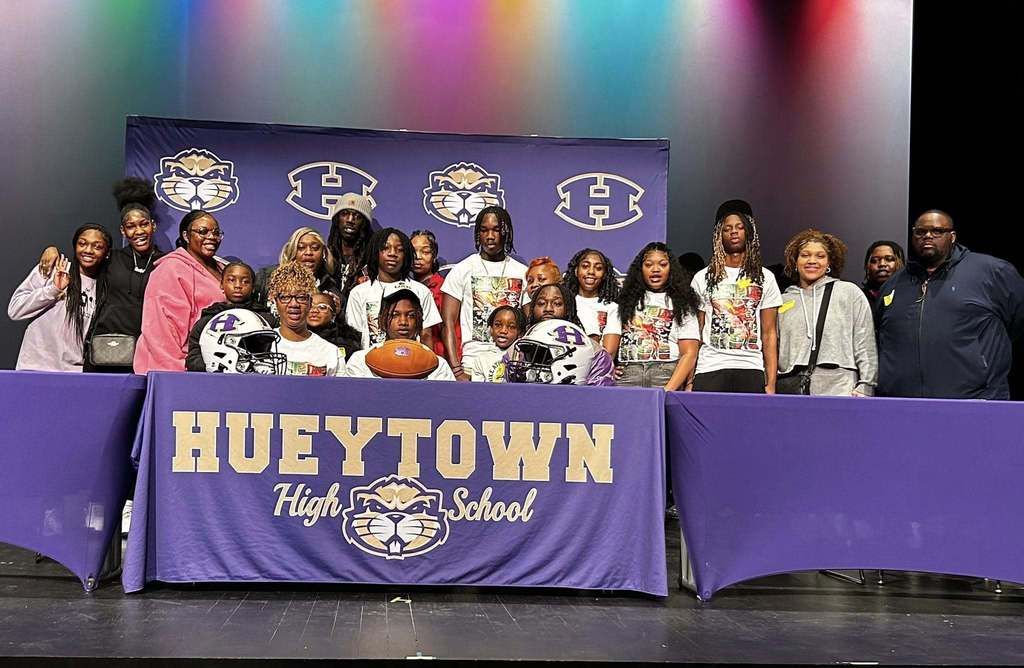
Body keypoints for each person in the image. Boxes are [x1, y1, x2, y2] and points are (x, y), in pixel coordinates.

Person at [877, 210, 1024, 399]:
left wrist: (980, 360)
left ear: (952, 236)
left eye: (937, 231)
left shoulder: (992, 272)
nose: (928, 236)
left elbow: (1018, 320)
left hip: (975, 401)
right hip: (902, 404)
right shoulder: (894, 284)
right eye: (920, 232)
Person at [690, 199, 782, 393]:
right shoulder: (702, 277)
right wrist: (690, 380)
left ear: (748, 232)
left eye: (739, 227)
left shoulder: (765, 277)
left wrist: (771, 382)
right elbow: (695, 332)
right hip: (710, 367)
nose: (733, 232)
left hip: (751, 367)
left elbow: (769, 333)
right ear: (718, 235)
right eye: (727, 228)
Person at [776, 229, 877, 396]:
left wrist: (866, 384)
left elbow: (864, 340)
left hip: (839, 386)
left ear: (830, 263)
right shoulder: (782, 300)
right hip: (789, 387)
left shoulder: (849, 292)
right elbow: (773, 347)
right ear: (795, 261)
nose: (812, 261)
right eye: (805, 255)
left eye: (820, 256)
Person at [133, 210, 226, 374]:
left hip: (213, 366)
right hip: (179, 369)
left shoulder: (224, 268)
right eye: (203, 232)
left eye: (216, 232)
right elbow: (161, 331)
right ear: (186, 235)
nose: (211, 237)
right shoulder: (170, 269)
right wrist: (176, 374)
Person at [441, 206, 528, 381]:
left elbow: (529, 325)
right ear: (477, 234)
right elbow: (447, 323)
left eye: (496, 230)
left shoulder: (522, 273)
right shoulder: (462, 269)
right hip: (472, 364)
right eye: (484, 230)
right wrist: (457, 371)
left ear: (507, 233)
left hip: (512, 365)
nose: (490, 236)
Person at [9, 224, 112, 371]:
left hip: (73, 373)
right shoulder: (54, 269)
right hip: (34, 368)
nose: (88, 250)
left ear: (107, 253)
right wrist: (54, 290)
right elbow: (15, 309)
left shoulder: (104, 288)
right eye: (82, 244)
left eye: (97, 246)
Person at [604, 243, 700, 390]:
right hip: (627, 375)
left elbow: (689, 353)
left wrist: (667, 390)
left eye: (662, 264)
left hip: (667, 375)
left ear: (671, 269)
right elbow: (609, 351)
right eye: (649, 265)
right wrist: (608, 370)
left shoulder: (683, 304)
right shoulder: (621, 303)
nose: (655, 269)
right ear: (640, 270)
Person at [345, 228, 442, 350]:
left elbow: (426, 335)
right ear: (376, 252)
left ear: (406, 255)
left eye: (399, 249)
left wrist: (428, 365)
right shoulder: (359, 293)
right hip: (370, 364)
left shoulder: (421, 291)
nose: (392, 253)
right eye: (385, 248)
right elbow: (355, 336)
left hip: (411, 363)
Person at [345, 288, 456, 380]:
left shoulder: (438, 365)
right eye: (394, 315)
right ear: (381, 321)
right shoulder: (360, 361)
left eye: (411, 315)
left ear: (419, 321)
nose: (403, 322)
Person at [518, 283, 615, 386]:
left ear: (568, 309)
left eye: (557, 304)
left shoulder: (595, 352)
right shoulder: (520, 347)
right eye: (541, 303)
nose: (548, 309)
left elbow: (600, 396)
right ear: (532, 309)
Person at [185, 262, 274, 372]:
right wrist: (212, 367)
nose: (238, 286)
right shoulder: (207, 320)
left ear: (253, 287)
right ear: (221, 284)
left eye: (245, 281)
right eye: (232, 280)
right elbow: (193, 357)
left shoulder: (265, 320)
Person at [268, 261, 344, 376]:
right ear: (275, 301)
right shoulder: (260, 345)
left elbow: (340, 392)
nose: (294, 304)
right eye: (285, 297)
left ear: (310, 302)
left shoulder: (330, 353)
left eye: (301, 297)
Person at [253, 227, 341, 313]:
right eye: (301, 248)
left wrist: (336, 315)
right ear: (292, 251)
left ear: (324, 253)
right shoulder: (267, 277)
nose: (308, 252)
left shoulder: (330, 288)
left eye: (315, 248)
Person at [411, 229, 459, 358]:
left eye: (425, 252)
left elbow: (451, 329)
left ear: (434, 256)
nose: (418, 257)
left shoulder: (444, 289)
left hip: (440, 358)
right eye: (413, 251)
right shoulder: (403, 287)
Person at [563, 248, 620, 342]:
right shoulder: (564, 303)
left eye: (598, 268)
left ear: (605, 274)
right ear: (576, 271)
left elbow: (609, 353)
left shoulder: (612, 308)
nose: (591, 272)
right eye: (585, 266)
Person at [326, 193, 374, 298]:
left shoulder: (373, 261)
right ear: (337, 220)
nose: (350, 220)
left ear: (364, 224)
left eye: (358, 216)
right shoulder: (325, 258)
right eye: (345, 214)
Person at [469, 305, 527, 383]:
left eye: (511, 327)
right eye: (498, 325)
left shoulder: (523, 357)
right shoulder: (481, 359)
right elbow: (478, 390)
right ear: (491, 329)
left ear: (520, 332)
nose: (503, 331)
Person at [306, 291, 362, 361]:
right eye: (310, 306)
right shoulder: (295, 337)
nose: (314, 310)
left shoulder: (347, 341)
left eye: (322, 307)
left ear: (333, 314)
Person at [861, 240, 905, 310]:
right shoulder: (860, 297)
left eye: (889, 259)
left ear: (901, 263)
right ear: (867, 266)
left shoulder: (910, 295)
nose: (882, 264)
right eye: (875, 260)